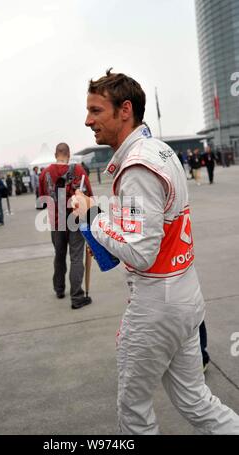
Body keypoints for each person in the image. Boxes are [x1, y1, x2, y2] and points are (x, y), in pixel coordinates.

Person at [73, 69, 239, 434]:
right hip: (183, 295)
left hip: (155, 304)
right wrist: (101, 210)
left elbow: (140, 251)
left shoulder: (136, 168)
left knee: (133, 412)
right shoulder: (159, 152)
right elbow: (148, 224)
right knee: (196, 400)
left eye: (96, 110)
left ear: (124, 110)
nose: (87, 121)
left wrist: (92, 218)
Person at [39, 143, 93, 309]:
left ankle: (59, 289)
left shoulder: (44, 173)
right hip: (75, 219)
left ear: (56, 154)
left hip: (57, 221)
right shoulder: (78, 170)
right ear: (68, 154)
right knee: (76, 257)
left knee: (59, 255)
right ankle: (77, 296)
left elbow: (42, 199)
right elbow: (89, 196)